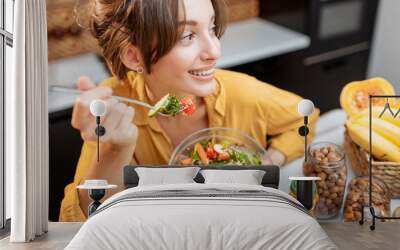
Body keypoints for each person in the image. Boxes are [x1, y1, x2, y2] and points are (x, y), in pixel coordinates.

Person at [59, 0, 320, 221]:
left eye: (212, 27)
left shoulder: (243, 94)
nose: (214, 51)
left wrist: (271, 159)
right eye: (188, 36)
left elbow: (305, 117)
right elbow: (77, 222)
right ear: (134, 57)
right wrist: (115, 150)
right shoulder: (115, 109)